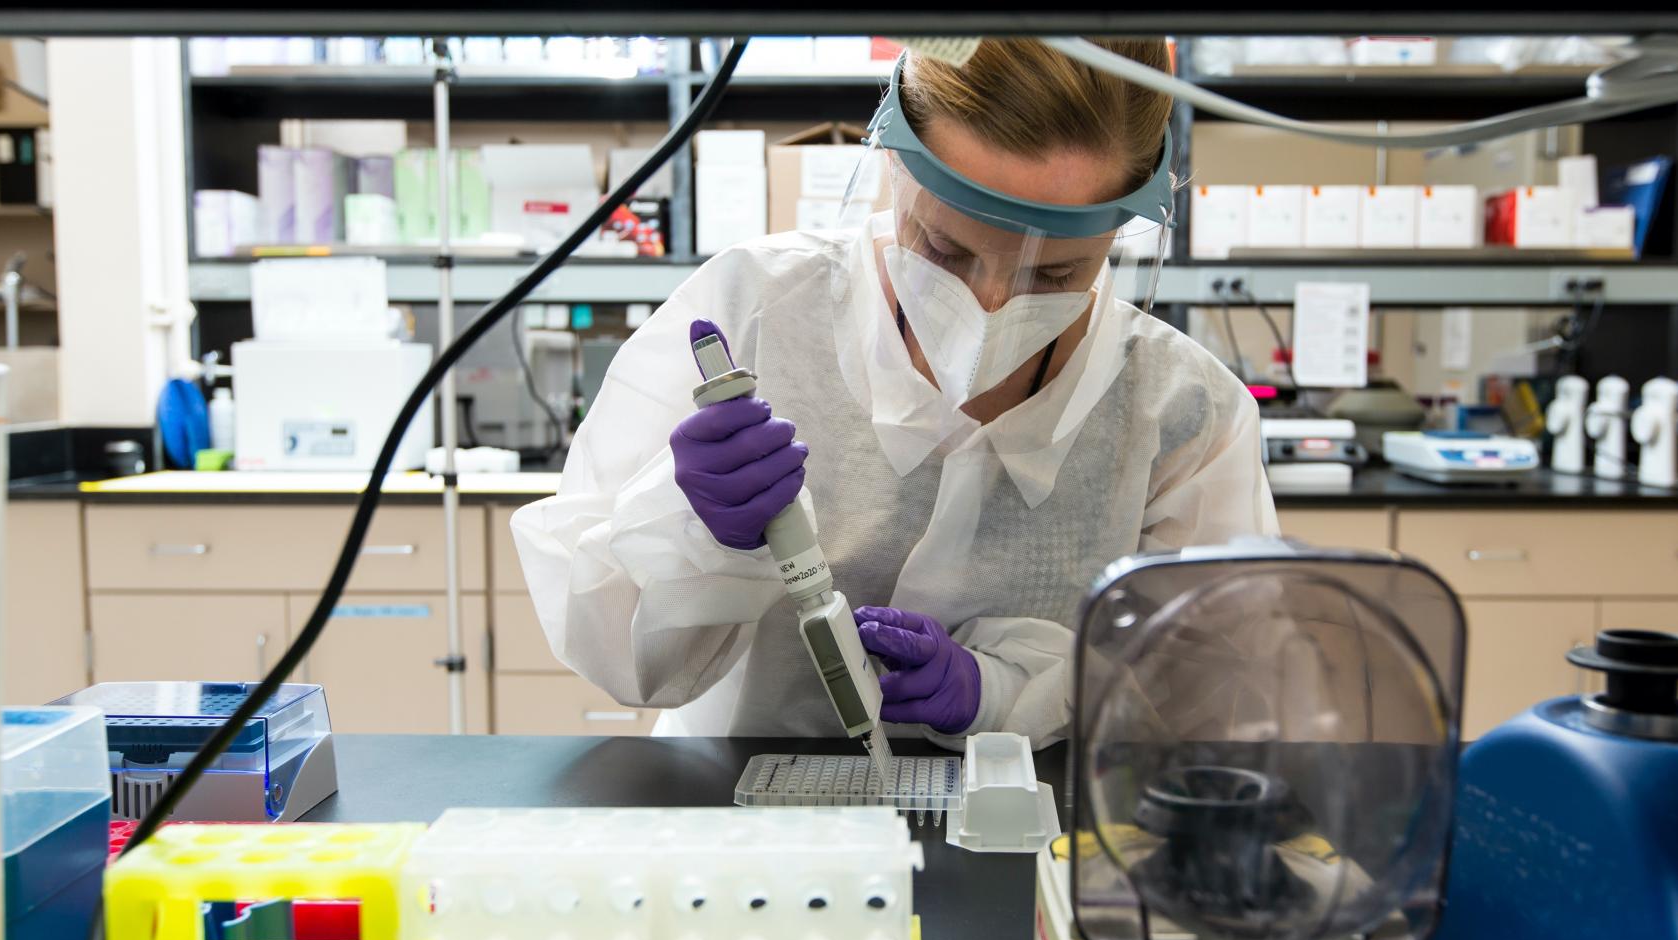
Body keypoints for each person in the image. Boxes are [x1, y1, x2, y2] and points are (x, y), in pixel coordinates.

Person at [513, 38, 1275, 746]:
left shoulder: (1182, 412)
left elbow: (1207, 699)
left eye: (1056, 274)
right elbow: (616, 658)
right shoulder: (751, 309)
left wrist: (1013, 695)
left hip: (1031, 839)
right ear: (892, 162)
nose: (993, 305)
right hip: (745, 824)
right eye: (945, 249)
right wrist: (692, 530)